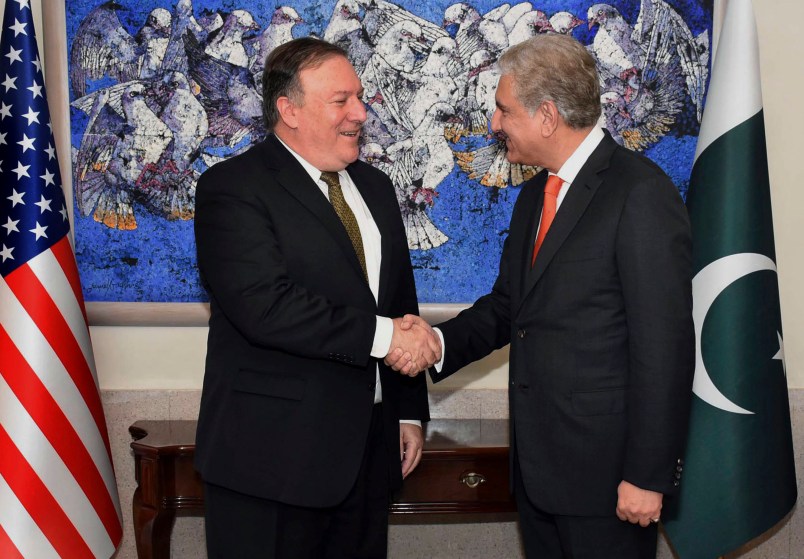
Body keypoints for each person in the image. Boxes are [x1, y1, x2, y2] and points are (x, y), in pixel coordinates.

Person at [390, 34, 694, 558]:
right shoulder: (536, 193)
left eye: (504, 110)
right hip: (539, 473)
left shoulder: (639, 193)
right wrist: (436, 343)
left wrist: (648, 476)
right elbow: (511, 307)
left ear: (547, 115)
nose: (494, 124)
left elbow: (663, 348)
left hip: (608, 480)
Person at [193, 37, 440, 559]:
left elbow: (399, 299)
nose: (361, 112)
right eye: (341, 100)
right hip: (271, 465)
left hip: (369, 456)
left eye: (360, 98)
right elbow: (266, 306)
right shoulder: (232, 188)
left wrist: (408, 412)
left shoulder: (375, 187)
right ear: (289, 110)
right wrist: (386, 337)